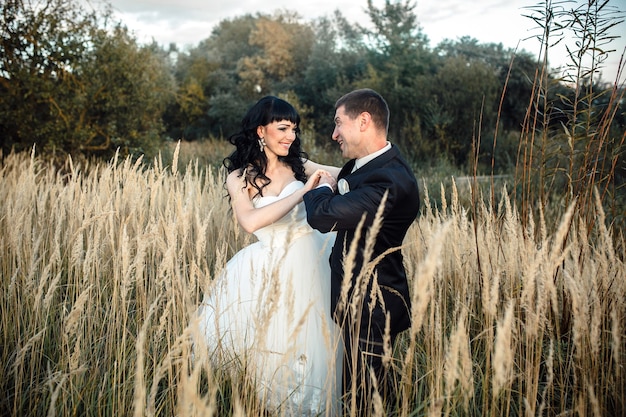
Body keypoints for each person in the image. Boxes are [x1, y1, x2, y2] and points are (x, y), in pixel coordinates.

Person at [194, 96, 343, 416]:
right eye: (283, 128)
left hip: (310, 261)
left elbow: (349, 175)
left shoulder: (301, 167)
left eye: (294, 129)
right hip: (266, 267)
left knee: (312, 345)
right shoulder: (239, 177)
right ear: (261, 130)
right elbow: (249, 221)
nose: (291, 135)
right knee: (270, 348)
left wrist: (354, 174)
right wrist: (304, 192)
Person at [303, 88, 420, 414]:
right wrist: (299, 163)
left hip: (373, 303)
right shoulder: (371, 164)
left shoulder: (390, 182)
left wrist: (322, 188)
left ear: (364, 121)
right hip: (361, 299)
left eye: (339, 124)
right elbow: (347, 179)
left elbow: (323, 215)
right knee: (371, 389)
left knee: (363, 400)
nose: (334, 133)